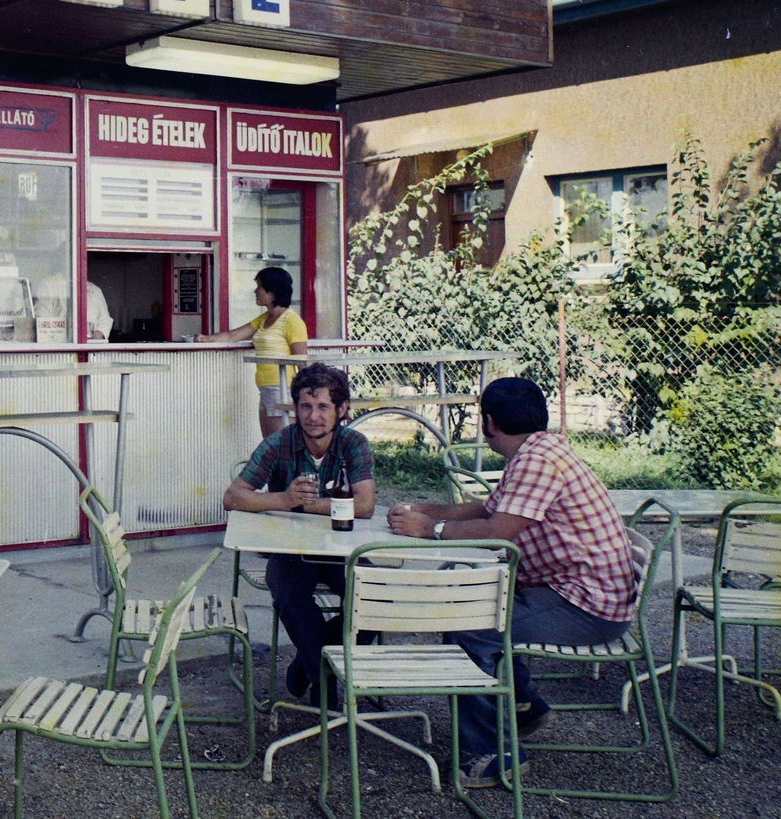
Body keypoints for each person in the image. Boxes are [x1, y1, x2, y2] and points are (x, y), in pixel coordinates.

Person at [387, 377, 637, 789]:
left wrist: (431, 529)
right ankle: (525, 706)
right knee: (482, 604)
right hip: (581, 592)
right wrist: (426, 509)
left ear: (489, 422)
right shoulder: (540, 449)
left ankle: (493, 755)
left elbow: (499, 530)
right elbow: (489, 508)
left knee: (472, 626)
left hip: (590, 608)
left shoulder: (537, 461)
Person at [223, 362, 376, 705]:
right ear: (295, 409)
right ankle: (325, 681)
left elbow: (365, 505)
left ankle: (310, 664)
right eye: (305, 406)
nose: (314, 416)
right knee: (290, 595)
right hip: (289, 547)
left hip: (343, 547)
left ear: (342, 410)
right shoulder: (280, 442)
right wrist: (283, 498)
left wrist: (305, 506)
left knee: (378, 600)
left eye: (323, 406)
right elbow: (232, 497)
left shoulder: (354, 443)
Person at [197, 266, 308, 436]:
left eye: (259, 287)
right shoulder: (264, 318)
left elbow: (302, 361)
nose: (255, 291)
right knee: (270, 444)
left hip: (282, 389)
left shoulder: (292, 320)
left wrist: (305, 396)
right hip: (265, 388)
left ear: (271, 293)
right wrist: (207, 338)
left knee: (279, 446)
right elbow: (233, 335)